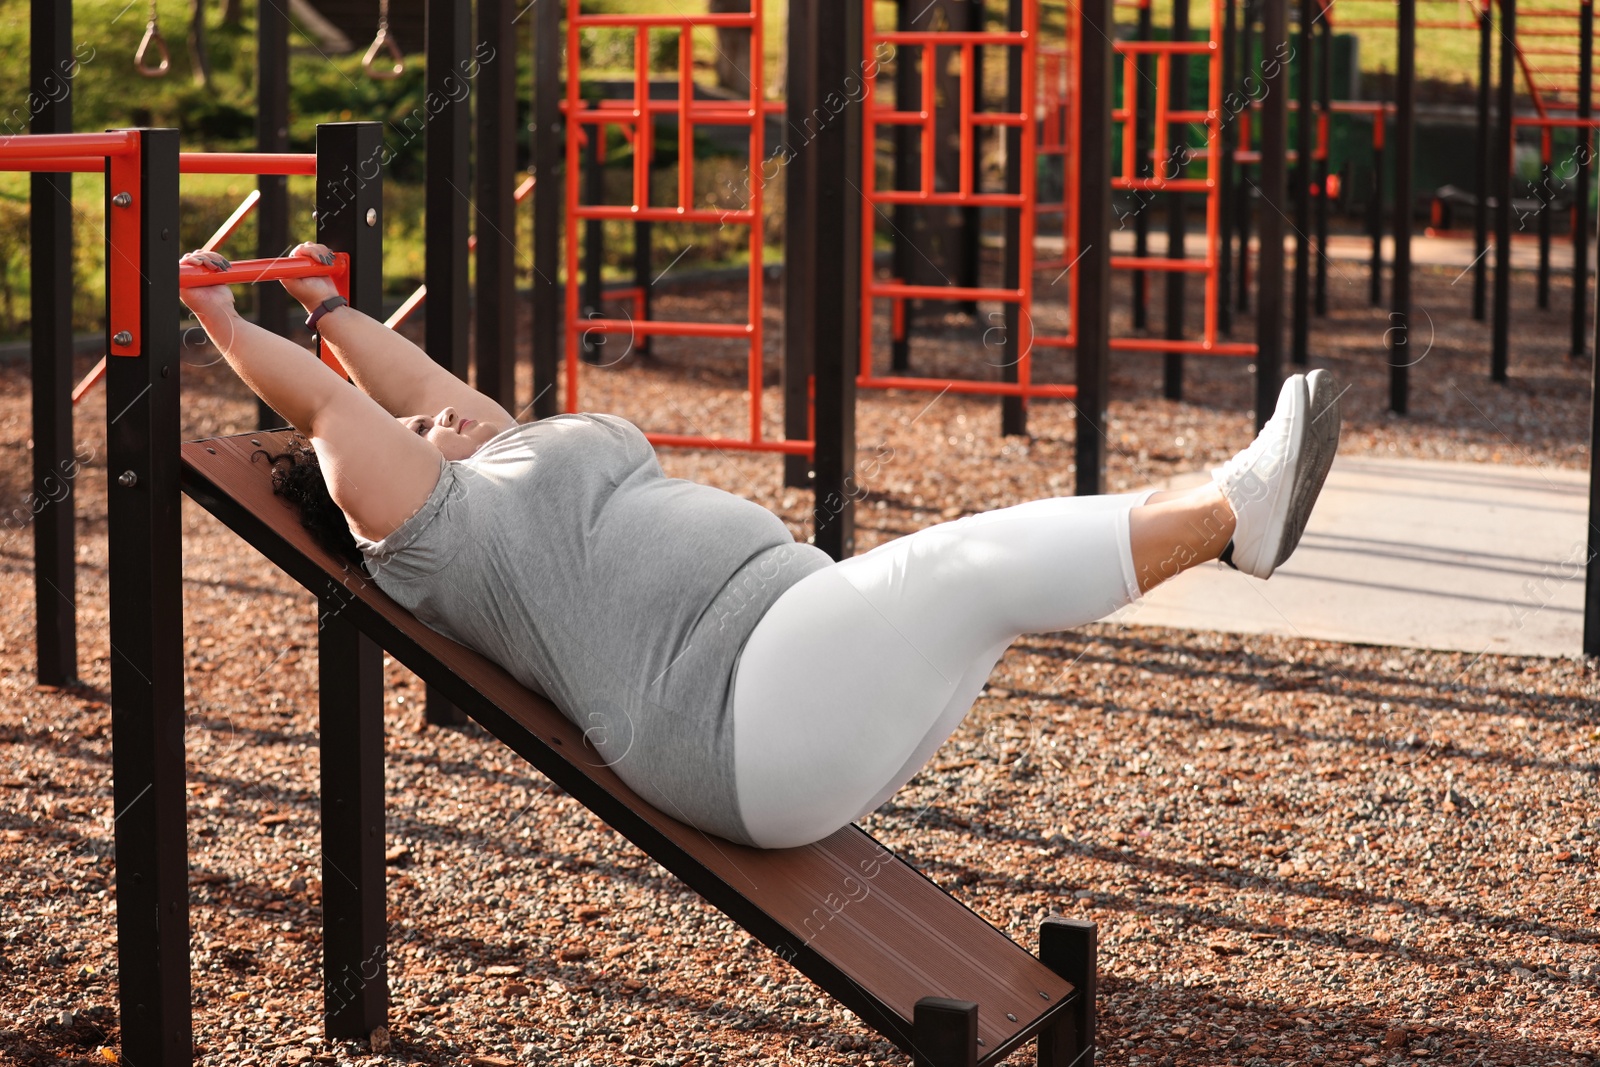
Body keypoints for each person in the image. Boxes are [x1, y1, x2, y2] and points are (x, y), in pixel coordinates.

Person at [179, 243, 1342, 850]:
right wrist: (227, 322)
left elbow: (407, 383)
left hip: (790, 673)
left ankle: (1231, 505)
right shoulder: (442, 538)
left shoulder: (497, 456)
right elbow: (339, 418)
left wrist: (328, 309)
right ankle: (1234, 516)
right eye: (420, 429)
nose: (443, 412)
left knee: (970, 590)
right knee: (957, 566)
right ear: (387, 483)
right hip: (735, 719)